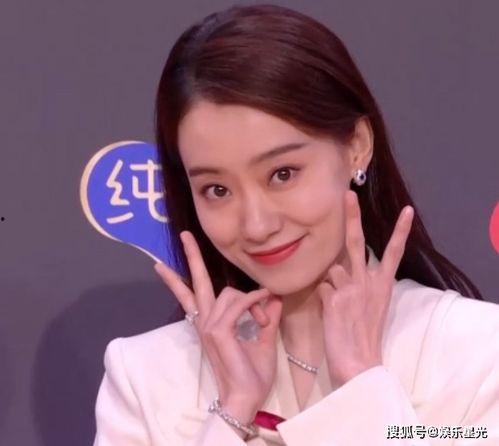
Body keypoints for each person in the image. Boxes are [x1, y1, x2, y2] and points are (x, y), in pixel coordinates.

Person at [92, 4, 499, 445]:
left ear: (357, 146)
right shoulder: (146, 377)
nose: (256, 225)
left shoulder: (478, 354)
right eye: (217, 190)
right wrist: (230, 415)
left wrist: (364, 388)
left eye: (282, 174)